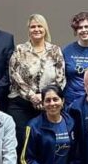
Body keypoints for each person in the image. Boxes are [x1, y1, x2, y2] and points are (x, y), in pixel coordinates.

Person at [8, 14, 66, 154]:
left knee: (46, 143)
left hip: (49, 104)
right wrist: (32, 96)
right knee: (22, 143)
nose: (36, 29)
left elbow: (61, 78)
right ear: (28, 30)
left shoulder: (55, 50)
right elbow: (14, 75)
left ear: (45, 29)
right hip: (22, 105)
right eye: (33, 26)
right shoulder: (20, 50)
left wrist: (44, 96)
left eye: (40, 26)